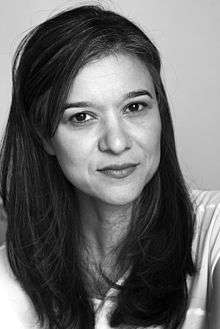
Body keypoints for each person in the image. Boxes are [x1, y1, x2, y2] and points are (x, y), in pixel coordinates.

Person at [0, 4, 219, 329]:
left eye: (135, 106)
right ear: (44, 136)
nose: (116, 143)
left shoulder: (213, 230)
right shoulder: (9, 276)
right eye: (81, 117)